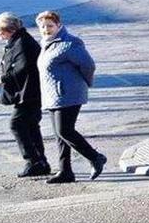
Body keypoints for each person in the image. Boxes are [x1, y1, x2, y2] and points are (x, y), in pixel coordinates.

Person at [35, 11, 106, 184]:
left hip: (68, 94)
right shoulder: (46, 44)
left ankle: (95, 157)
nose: (46, 29)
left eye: (50, 26)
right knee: (60, 135)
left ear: (58, 25)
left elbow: (88, 65)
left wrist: (83, 83)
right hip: (53, 96)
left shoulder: (69, 43)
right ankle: (65, 171)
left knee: (65, 130)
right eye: (43, 27)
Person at [0, 12, 50, 177]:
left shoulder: (22, 43)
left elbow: (22, 69)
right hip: (30, 92)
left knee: (16, 124)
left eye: (1, 34)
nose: (0, 38)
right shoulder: (20, 40)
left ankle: (33, 161)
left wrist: (1, 79)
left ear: (9, 29)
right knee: (30, 126)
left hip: (29, 93)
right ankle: (41, 162)